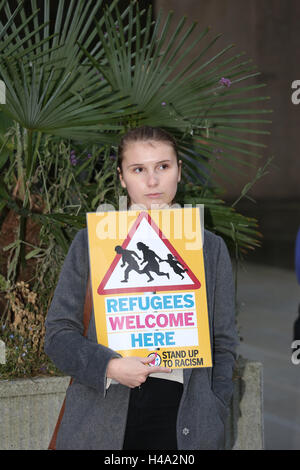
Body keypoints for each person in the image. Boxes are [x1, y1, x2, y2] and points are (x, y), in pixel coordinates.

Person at [44, 126, 238, 450]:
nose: (152, 181)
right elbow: (58, 334)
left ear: (179, 171)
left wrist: (215, 403)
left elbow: (224, 342)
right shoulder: (91, 243)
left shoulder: (210, 248)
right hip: (105, 414)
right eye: (139, 169)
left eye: (163, 166)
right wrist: (109, 366)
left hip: (186, 418)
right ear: (122, 177)